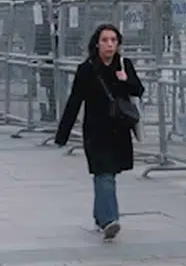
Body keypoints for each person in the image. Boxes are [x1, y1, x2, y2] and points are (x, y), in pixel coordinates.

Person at [54, 23, 145, 241]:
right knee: (104, 173)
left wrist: (126, 80)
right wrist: (62, 134)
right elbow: (75, 101)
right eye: (105, 40)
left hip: (119, 131)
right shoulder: (87, 69)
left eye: (113, 40)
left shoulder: (124, 65)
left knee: (108, 174)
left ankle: (99, 215)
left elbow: (138, 90)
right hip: (96, 131)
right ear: (97, 44)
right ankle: (109, 220)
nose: (109, 45)